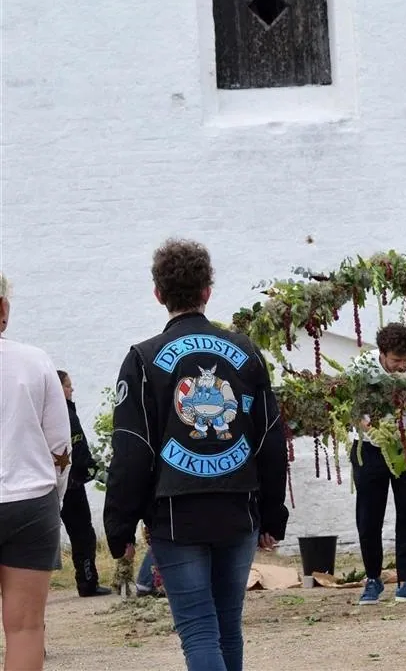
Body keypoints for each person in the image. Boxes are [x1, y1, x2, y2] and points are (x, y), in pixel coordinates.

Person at [103, 239, 289, 671]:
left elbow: (132, 450)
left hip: (175, 514)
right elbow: (270, 440)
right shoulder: (246, 353)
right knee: (228, 628)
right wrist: (272, 514)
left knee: (200, 632)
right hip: (238, 508)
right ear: (208, 290)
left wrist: (120, 527)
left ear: (157, 294)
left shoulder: (142, 361)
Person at [0, 272, 71, 671]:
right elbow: (60, 445)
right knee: (26, 629)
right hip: (30, 502)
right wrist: (53, 499)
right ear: (4, 310)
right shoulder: (36, 361)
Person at [350, 322, 406, 605]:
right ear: (382, 354)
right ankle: (372, 580)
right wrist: (372, 431)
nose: (401, 365)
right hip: (370, 449)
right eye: (396, 360)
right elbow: (351, 406)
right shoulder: (362, 368)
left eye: (405, 359)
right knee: (368, 517)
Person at [56, 370, 112, 597]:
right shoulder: (67, 415)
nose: (72, 389)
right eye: (68, 385)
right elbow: (77, 451)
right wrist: (90, 472)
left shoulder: (46, 412)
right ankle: (87, 582)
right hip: (71, 484)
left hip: (50, 485)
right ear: (59, 388)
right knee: (83, 535)